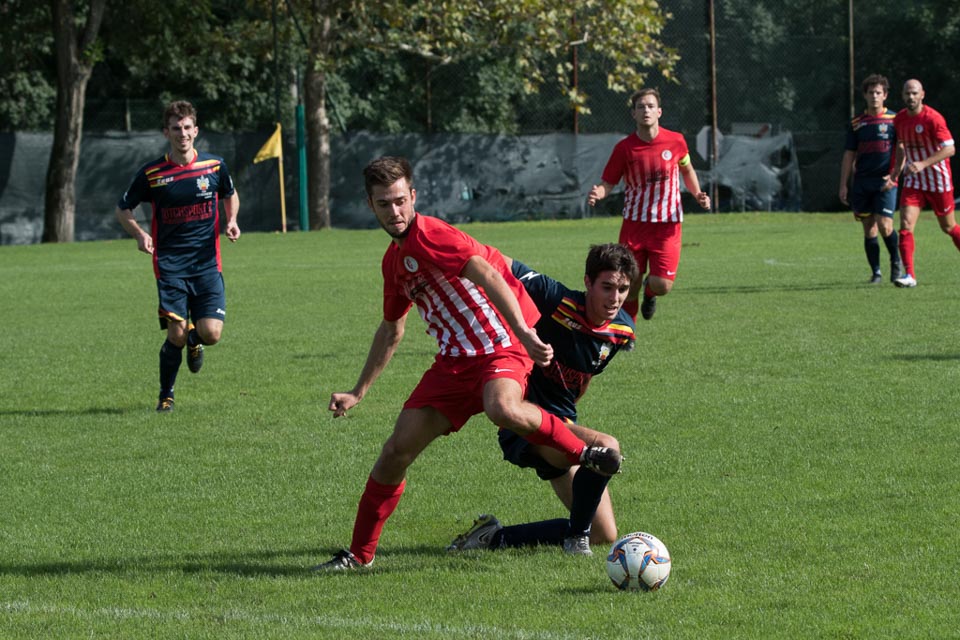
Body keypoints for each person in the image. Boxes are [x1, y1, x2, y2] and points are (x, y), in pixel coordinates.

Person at [314, 156, 622, 572]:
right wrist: (358, 391)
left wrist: (524, 332)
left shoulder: (431, 234)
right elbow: (391, 331)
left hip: (501, 346)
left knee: (502, 407)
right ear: (371, 205)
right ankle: (359, 555)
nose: (395, 211)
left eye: (401, 201)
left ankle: (585, 453)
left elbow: (489, 274)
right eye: (384, 204)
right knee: (395, 452)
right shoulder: (394, 263)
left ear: (413, 197)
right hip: (454, 365)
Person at [446, 243, 638, 557]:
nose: (615, 298)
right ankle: (575, 542)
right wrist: (442, 241)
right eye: (607, 287)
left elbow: (582, 378)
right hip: (523, 423)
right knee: (607, 448)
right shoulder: (554, 298)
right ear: (588, 282)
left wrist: (566, 420)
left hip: (562, 423)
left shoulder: (621, 331)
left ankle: (491, 537)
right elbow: (494, 260)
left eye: (623, 289)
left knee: (603, 533)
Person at [115, 100, 240, 412]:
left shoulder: (214, 166)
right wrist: (140, 234)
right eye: (176, 128)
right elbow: (123, 208)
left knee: (211, 333)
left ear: (195, 131)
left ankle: (196, 340)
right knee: (176, 334)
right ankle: (166, 395)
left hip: (207, 264)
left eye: (186, 128)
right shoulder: (153, 173)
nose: (182, 134)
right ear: (166, 132)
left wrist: (232, 220)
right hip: (170, 265)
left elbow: (229, 193)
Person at [587, 88, 711, 322]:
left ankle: (650, 292)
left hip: (667, 225)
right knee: (628, 284)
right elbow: (608, 182)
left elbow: (687, 169)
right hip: (634, 225)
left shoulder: (676, 141)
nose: (646, 110)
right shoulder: (624, 148)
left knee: (662, 285)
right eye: (641, 107)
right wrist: (598, 193)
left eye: (651, 106)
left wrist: (698, 194)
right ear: (633, 113)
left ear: (659, 112)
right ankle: (628, 332)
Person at [883, 79, 957, 288]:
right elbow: (901, 146)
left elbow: (950, 149)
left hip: (938, 181)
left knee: (948, 227)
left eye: (914, 93)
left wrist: (923, 163)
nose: (911, 97)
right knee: (905, 225)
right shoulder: (899, 119)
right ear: (902, 95)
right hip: (914, 180)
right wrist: (895, 174)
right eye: (907, 93)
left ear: (922, 94)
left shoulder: (933, 118)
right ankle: (909, 275)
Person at [838, 74, 902, 284]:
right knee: (869, 228)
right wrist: (843, 184)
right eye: (871, 92)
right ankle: (876, 273)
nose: (874, 96)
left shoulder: (895, 120)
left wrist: (894, 175)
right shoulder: (857, 123)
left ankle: (896, 261)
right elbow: (849, 154)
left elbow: (902, 150)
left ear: (885, 95)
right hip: (862, 183)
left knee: (885, 225)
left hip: (885, 182)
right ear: (865, 95)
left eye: (878, 92)